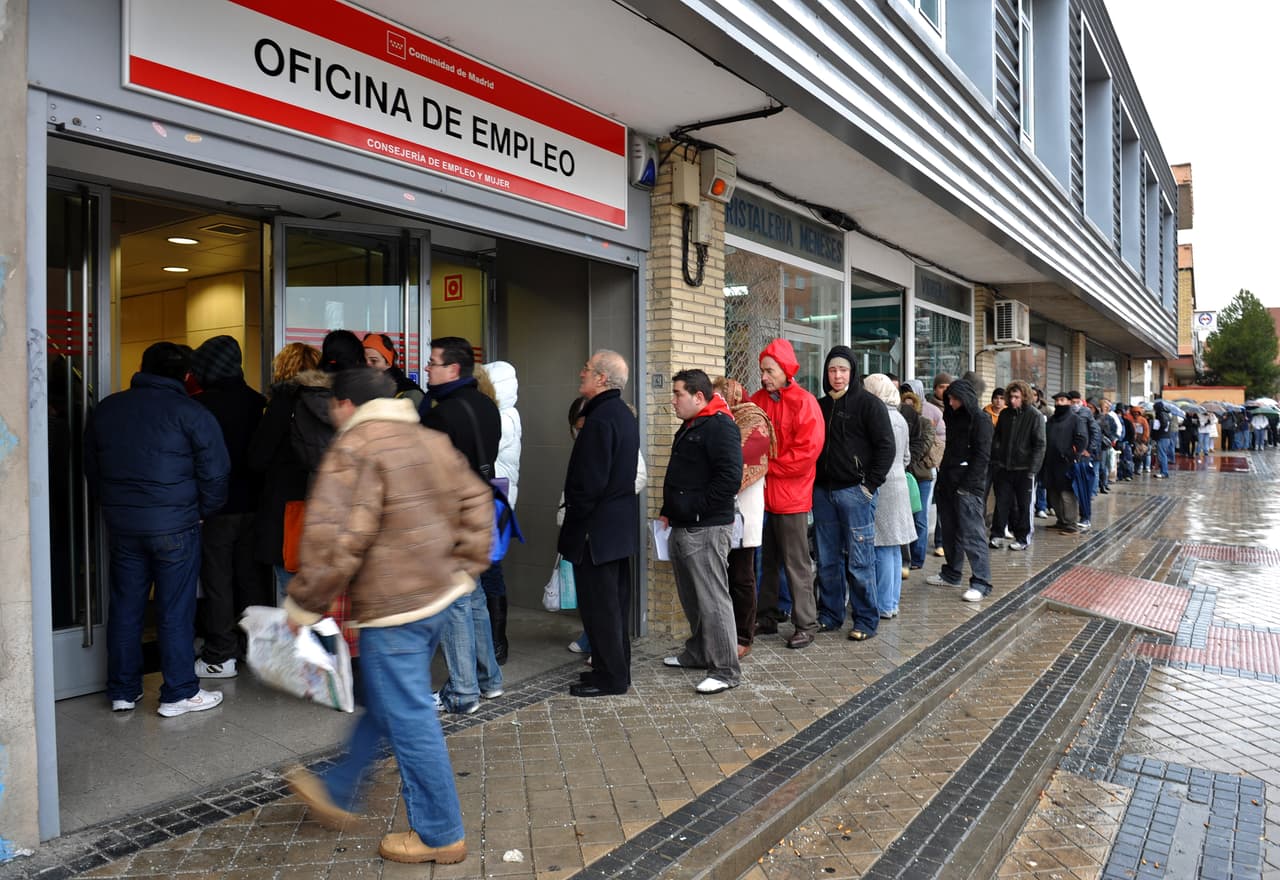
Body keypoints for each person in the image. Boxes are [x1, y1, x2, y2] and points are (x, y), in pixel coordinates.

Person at [282, 368, 491, 865]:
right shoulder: (430, 439)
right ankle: (339, 785)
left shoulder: (354, 449)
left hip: (391, 608)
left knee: (410, 715)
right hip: (436, 597)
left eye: (333, 406)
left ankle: (440, 834)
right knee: (388, 700)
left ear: (345, 405)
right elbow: (479, 498)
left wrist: (305, 604)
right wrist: (464, 567)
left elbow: (339, 541)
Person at [84, 341, 230, 716]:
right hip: (177, 526)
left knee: (126, 609)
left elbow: (91, 468)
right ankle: (179, 692)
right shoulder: (191, 412)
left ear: (142, 367)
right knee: (174, 610)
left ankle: (122, 690)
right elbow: (217, 473)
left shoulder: (108, 409)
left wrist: (114, 507)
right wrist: (202, 512)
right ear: (185, 375)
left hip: (124, 526)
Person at [417, 336, 504, 714]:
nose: (426, 368)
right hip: (482, 509)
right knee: (476, 598)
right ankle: (489, 680)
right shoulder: (488, 406)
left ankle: (463, 692)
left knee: (455, 603)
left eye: (432, 362)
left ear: (453, 369)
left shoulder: (440, 414)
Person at [250, 333, 363, 604]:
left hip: (292, 516)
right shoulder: (364, 403)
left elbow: (257, 458)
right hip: (348, 518)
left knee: (294, 604)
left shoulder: (288, 400)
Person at [559, 350, 640, 697]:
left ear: (602, 378)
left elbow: (589, 483)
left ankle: (612, 678)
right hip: (615, 530)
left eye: (587, 369)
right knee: (612, 607)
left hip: (596, 532)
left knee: (602, 608)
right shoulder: (620, 414)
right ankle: (611, 670)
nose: (581, 373)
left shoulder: (601, 418)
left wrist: (574, 517)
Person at [659, 369, 744, 694]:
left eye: (678, 394)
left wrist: (696, 509)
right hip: (684, 524)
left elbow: (729, 478)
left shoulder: (720, 424)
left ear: (698, 396)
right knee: (691, 595)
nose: (674, 400)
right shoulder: (693, 423)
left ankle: (725, 670)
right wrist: (670, 511)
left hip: (706, 527)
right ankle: (697, 652)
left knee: (712, 598)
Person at [190, 335, 267, 680]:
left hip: (217, 509)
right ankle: (256, 648)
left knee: (218, 582)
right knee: (250, 580)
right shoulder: (257, 402)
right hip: (254, 506)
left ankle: (222, 653)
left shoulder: (201, 405)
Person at [812, 347, 895, 641]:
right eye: (832, 370)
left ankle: (866, 619)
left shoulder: (869, 405)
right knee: (827, 559)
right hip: (823, 494)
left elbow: (887, 447)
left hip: (855, 493)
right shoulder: (820, 406)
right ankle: (830, 615)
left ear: (852, 372)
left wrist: (869, 486)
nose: (837, 376)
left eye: (843, 370)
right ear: (826, 373)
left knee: (860, 561)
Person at [751, 339, 825, 648]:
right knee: (766, 562)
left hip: (790, 497)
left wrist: (767, 466)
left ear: (785, 370)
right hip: (763, 495)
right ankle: (767, 616)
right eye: (762, 371)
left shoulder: (804, 402)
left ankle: (806, 623)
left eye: (769, 371)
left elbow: (807, 452)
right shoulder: (757, 400)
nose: (764, 376)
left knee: (796, 563)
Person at [561, 394, 648, 659]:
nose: (578, 432)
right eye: (575, 427)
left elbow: (633, 477)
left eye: (581, 426)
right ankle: (599, 648)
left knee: (606, 598)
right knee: (594, 596)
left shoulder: (611, 432)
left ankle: (607, 658)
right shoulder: (596, 436)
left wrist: (605, 502)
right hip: (590, 526)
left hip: (602, 529)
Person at [712, 377, 773, 659]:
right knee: (722, 574)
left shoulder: (753, 420)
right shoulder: (721, 420)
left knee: (742, 574)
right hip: (721, 509)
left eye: (719, 398)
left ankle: (743, 635)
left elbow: (738, 462)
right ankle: (724, 631)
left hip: (744, 510)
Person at [926, 376, 994, 602]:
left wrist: (967, 486)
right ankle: (951, 573)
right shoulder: (951, 417)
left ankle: (981, 582)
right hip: (948, 482)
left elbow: (982, 457)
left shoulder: (981, 420)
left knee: (972, 534)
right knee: (950, 531)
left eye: (955, 399)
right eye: (950, 399)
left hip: (968, 487)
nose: (952, 403)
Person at [474, 360, 522, 664]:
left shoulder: (503, 418)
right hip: (498, 498)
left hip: (495, 500)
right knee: (489, 569)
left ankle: (496, 641)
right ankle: (492, 639)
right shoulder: (505, 414)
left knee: (491, 570)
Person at [861, 374, 915, 622]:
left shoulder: (879, 417)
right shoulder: (901, 418)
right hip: (899, 481)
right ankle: (891, 603)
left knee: (882, 545)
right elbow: (906, 457)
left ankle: (883, 604)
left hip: (883, 484)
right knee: (893, 547)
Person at [989, 380, 1045, 551]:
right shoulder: (1005, 415)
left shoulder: (1035, 416)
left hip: (1025, 469)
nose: (1013, 400)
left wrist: (1032, 470)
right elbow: (997, 438)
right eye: (1011, 396)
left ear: (1024, 397)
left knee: (1024, 505)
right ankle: (997, 534)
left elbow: (1040, 444)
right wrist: (997, 457)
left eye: (1017, 397)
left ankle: (1023, 537)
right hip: (1005, 467)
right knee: (1002, 503)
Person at [900, 388, 936, 572]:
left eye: (911, 405)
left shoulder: (925, 424)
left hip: (921, 477)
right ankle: (905, 557)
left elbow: (922, 446)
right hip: (902, 476)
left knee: (919, 518)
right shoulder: (899, 424)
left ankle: (918, 557)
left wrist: (905, 458)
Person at [1043, 393, 1088, 534]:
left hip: (1066, 463)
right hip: (1050, 462)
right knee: (1053, 493)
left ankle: (1070, 523)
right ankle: (1061, 520)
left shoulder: (1076, 420)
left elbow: (1081, 440)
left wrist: (1071, 455)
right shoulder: (1051, 420)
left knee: (1066, 494)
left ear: (1069, 402)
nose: (1059, 403)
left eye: (1062, 400)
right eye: (1056, 400)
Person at [362, 332, 425, 407]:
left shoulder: (409, 393)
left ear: (388, 363)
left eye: (374, 361)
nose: (367, 365)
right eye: (363, 360)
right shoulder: (360, 389)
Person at [1150, 396, 1176, 478]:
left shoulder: (1160, 414)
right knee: (1162, 454)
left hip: (1162, 437)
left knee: (1162, 455)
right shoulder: (1167, 414)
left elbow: (1162, 425)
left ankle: (1164, 472)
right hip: (1166, 437)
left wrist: (1156, 433)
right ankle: (1163, 471)